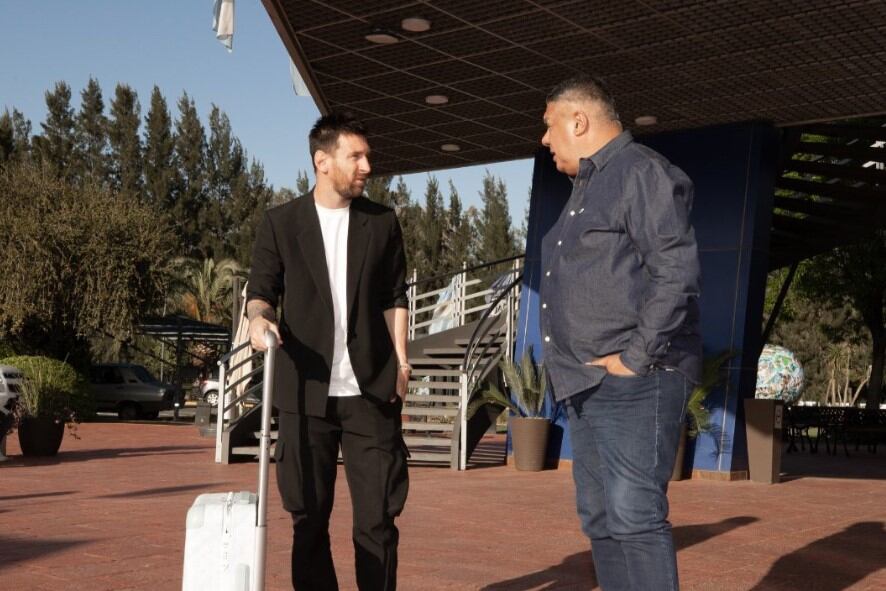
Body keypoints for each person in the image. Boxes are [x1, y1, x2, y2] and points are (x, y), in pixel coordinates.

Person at [539, 75, 702, 591]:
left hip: (634, 380)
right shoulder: (587, 187)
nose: (544, 139)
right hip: (586, 383)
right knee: (601, 518)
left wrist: (634, 358)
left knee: (634, 516)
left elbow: (675, 272)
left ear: (578, 121)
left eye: (549, 125)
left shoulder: (641, 172)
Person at [246, 112, 410, 591]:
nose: (366, 166)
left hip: (371, 392)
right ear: (322, 161)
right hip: (305, 393)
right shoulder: (282, 223)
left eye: (367, 156)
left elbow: (395, 296)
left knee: (378, 521)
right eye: (355, 156)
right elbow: (261, 292)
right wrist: (257, 320)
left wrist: (402, 362)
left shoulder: (381, 223)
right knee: (309, 520)